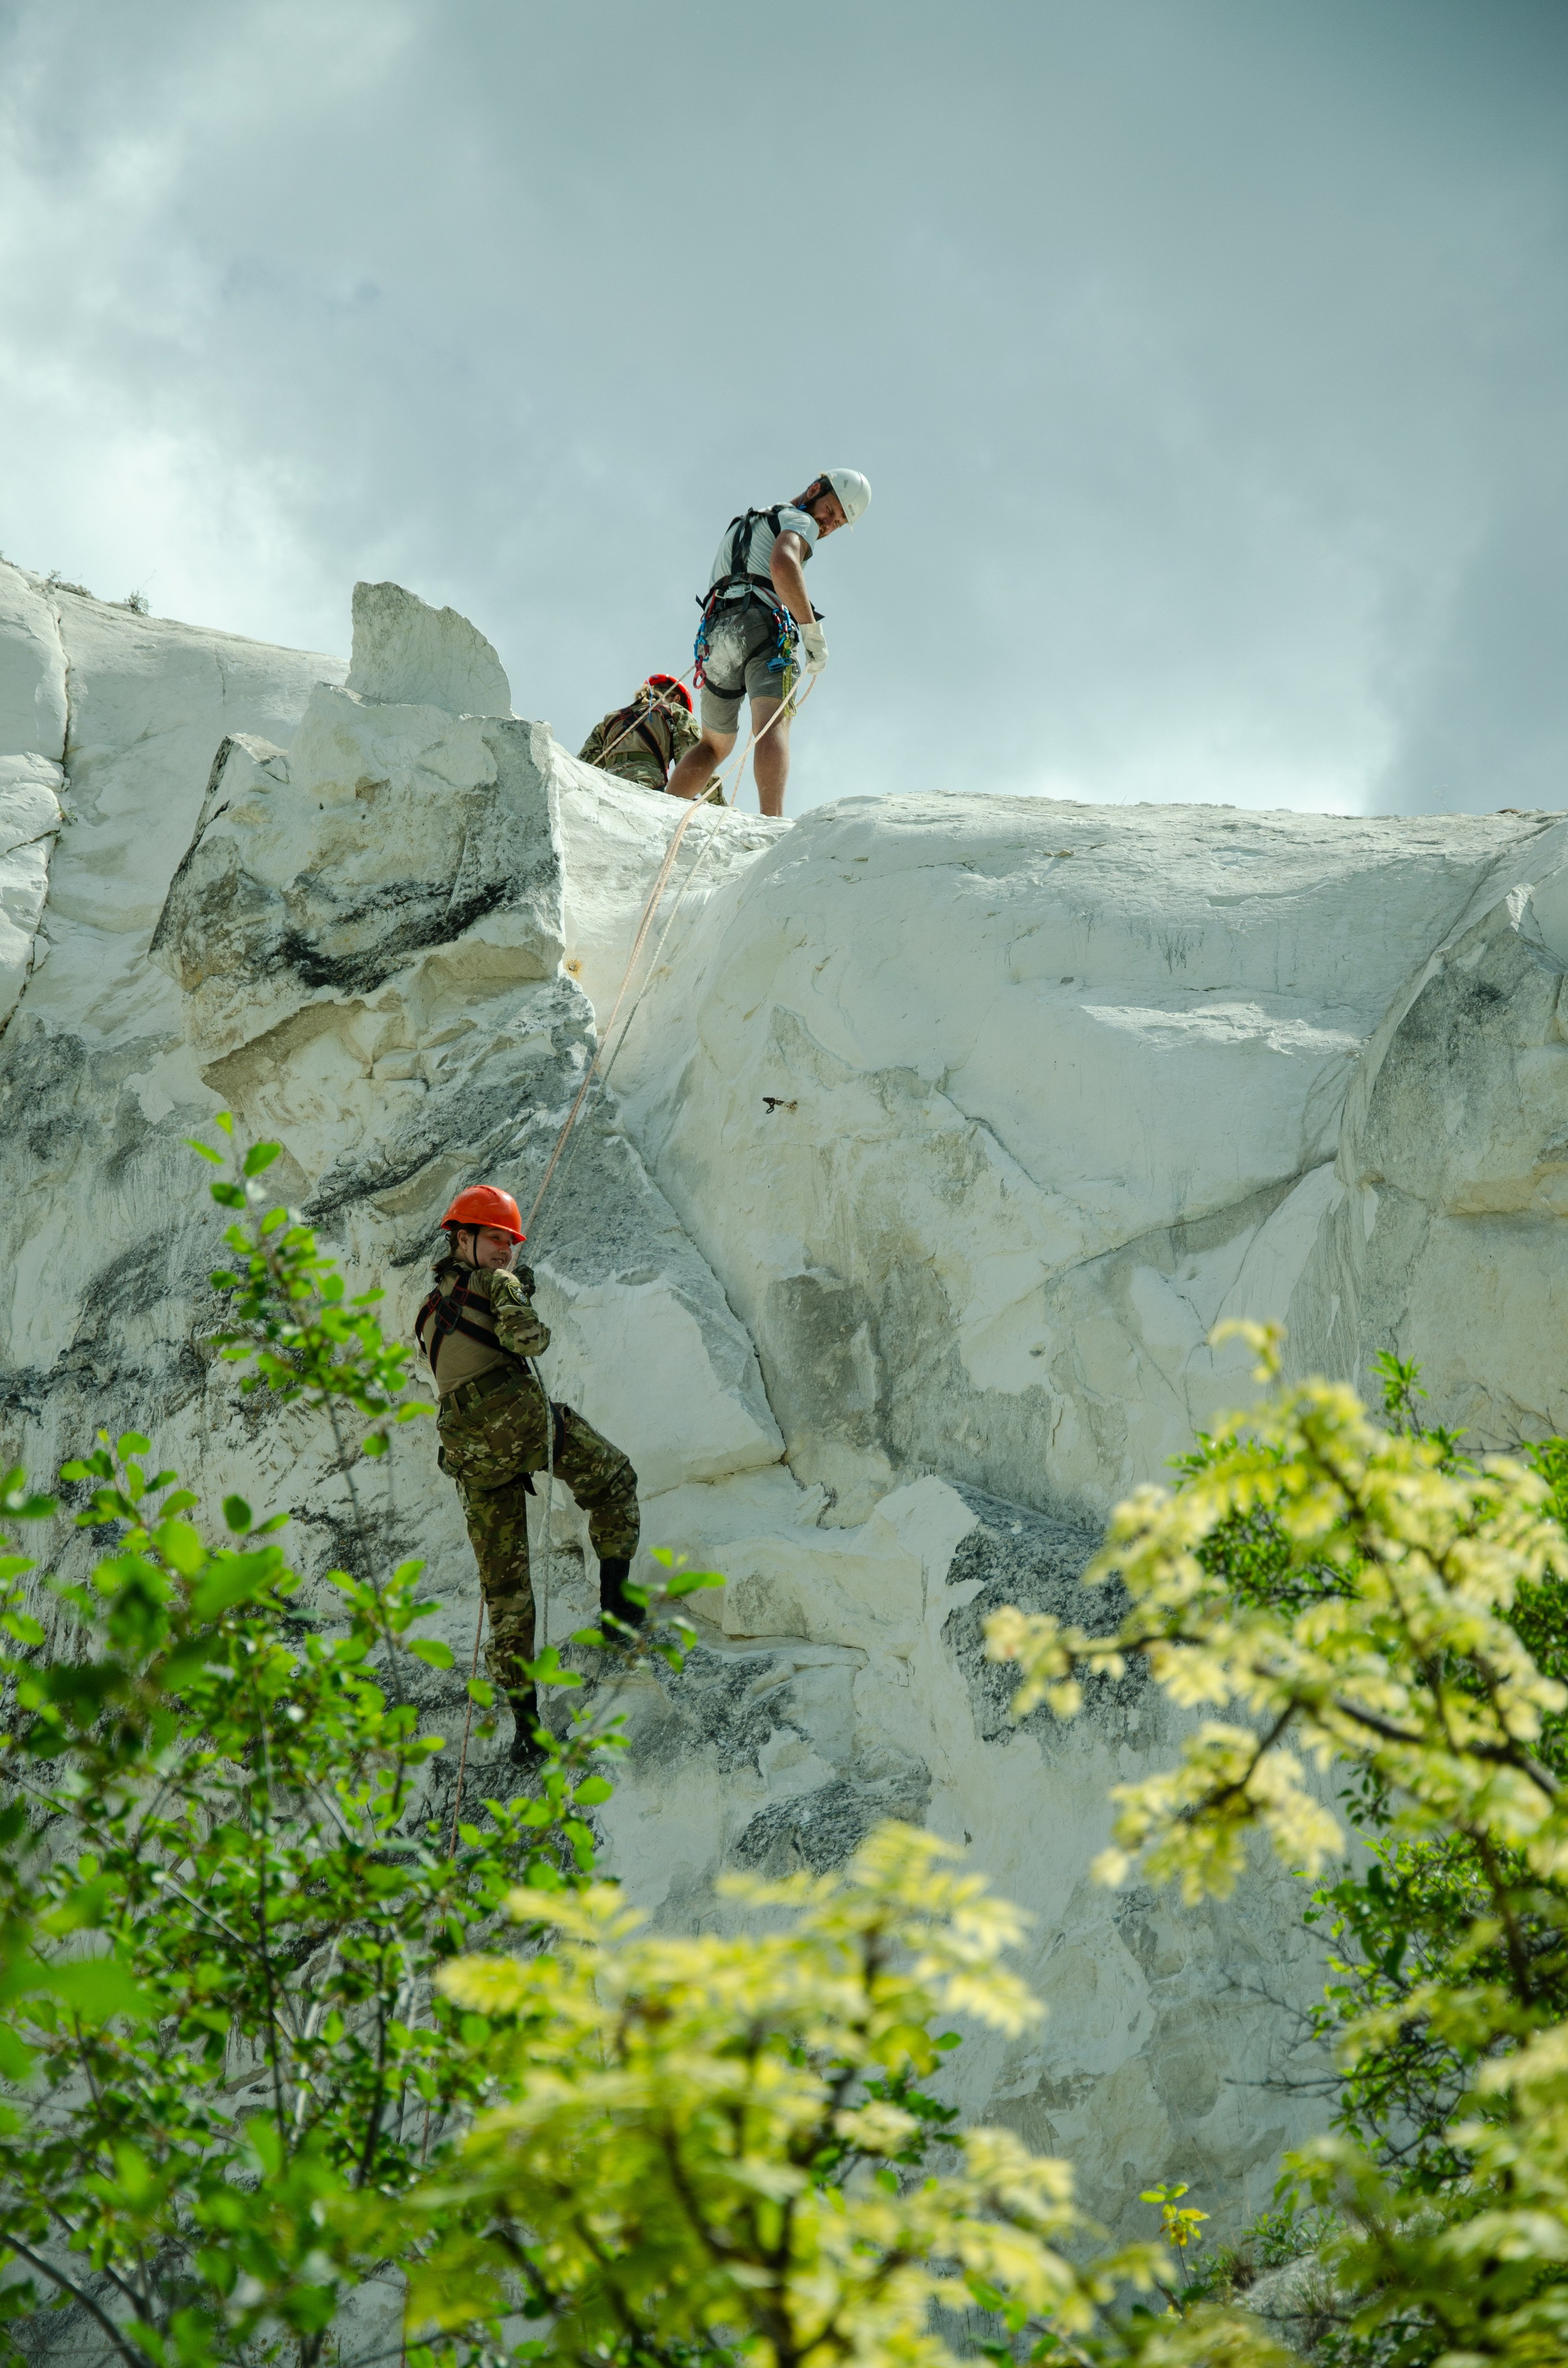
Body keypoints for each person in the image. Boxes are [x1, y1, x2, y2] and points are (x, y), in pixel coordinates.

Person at [415, 1184, 641, 1768]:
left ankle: (527, 1729)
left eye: (509, 1243)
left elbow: (465, 1353)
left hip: (473, 1458)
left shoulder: (428, 1309)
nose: (505, 1251)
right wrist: (524, 1304)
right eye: (495, 1239)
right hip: (521, 1425)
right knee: (613, 1479)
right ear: (462, 1238)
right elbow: (526, 1340)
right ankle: (616, 1611)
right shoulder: (498, 1284)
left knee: (506, 1594)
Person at [665, 467, 872, 819]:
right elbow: (782, 563)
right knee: (773, 723)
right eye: (831, 510)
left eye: (838, 522)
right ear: (815, 489)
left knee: (713, 744)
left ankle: (663, 809)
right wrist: (810, 630)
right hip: (763, 626)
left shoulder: (743, 525)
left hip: (717, 634)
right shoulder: (799, 520)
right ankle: (771, 822)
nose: (828, 524)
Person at [577, 674, 723, 803]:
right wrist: (717, 803)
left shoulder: (610, 719)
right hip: (647, 783)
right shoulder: (675, 711)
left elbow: (582, 764)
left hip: (607, 785)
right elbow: (696, 761)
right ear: (677, 698)